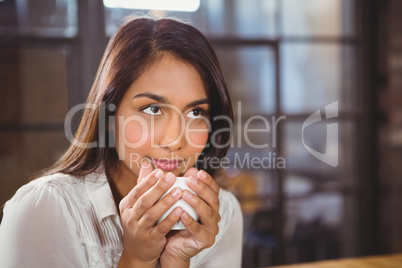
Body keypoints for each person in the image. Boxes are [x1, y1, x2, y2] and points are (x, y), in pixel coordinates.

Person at [0, 17, 243, 268]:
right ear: (109, 116)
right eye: (152, 109)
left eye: (195, 113)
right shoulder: (44, 210)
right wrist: (137, 259)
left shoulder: (221, 214)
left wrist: (177, 260)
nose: (174, 140)